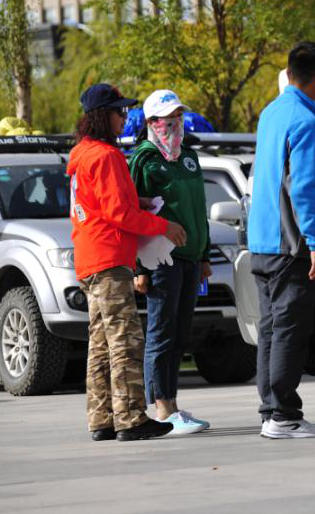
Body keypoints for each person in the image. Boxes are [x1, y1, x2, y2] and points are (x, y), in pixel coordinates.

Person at [68, 83, 188, 442]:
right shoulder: (104, 156)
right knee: (125, 340)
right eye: (120, 111)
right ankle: (131, 418)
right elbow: (118, 212)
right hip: (108, 258)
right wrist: (163, 225)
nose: (125, 117)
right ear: (103, 116)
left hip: (90, 258)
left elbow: (106, 204)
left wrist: (140, 203)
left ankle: (102, 418)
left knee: (101, 343)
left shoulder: (83, 154)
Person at [248, 42, 315, 440]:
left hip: (262, 242)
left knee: (271, 329)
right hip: (292, 247)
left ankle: (271, 411)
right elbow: (303, 189)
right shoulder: (306, 125)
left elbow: (299, 127)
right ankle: (285, 416)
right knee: (289, 328)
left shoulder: (272, 114)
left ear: (289, 74)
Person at [129, 89, 211, 435]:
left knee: (179, 335)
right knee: (161, 333)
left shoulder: (189, 156)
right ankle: (161, 408)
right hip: (161, 259)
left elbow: (198, 209)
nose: (173, 123)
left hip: (191, 259)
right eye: (166, 117)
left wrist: (204, 255)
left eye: (177, 115)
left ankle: (173, 404)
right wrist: (139, 269)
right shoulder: (144, 160)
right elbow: (133, 215)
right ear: (151, 122)